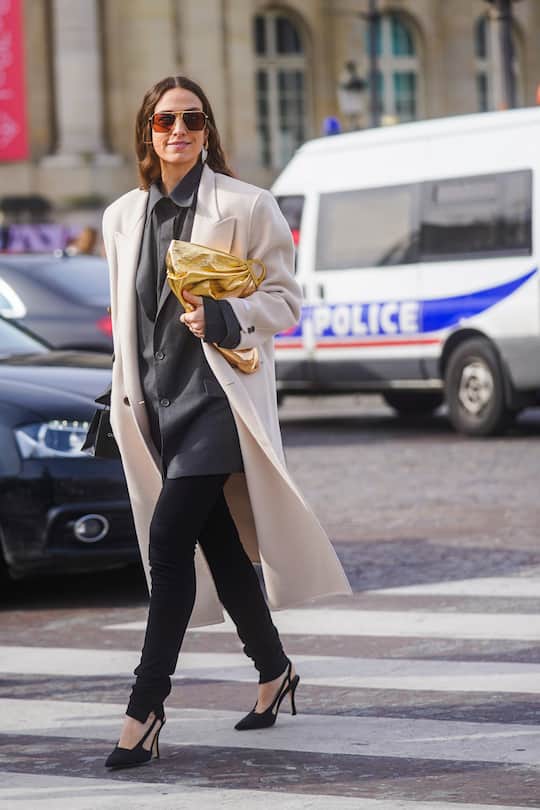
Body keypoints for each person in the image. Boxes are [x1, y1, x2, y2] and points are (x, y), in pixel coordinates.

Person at [101, 75, 351, 770]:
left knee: (168, 539)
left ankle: (145, 707)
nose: (177, 131)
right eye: (164, 120)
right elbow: (130, 324)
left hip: (218, 402)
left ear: (208, 130)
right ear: (146, 132)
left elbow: (285, 300)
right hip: (158, 408)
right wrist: (117, 390)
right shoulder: (123, 217)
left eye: (192, 119)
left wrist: (227, 316)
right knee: (219, 549)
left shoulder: (245, 205)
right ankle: (274, 671)